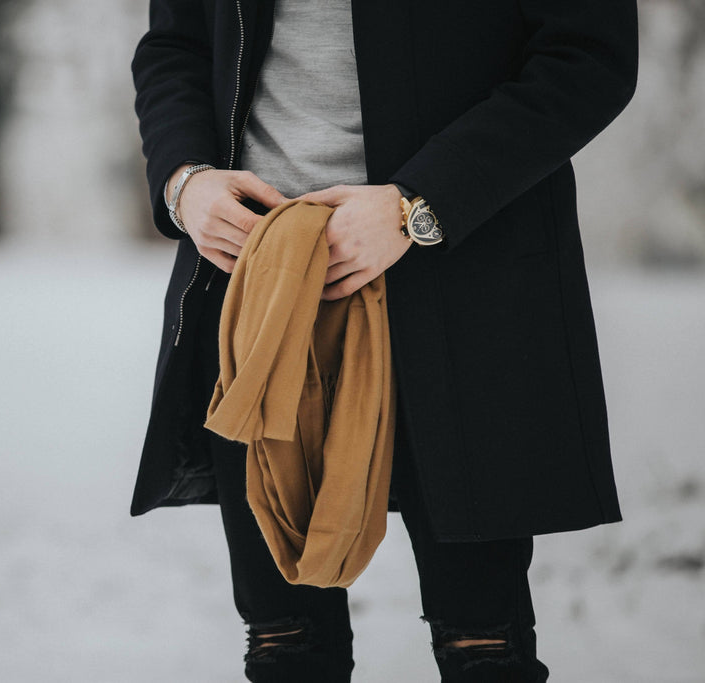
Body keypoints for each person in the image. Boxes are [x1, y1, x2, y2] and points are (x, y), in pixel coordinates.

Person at [129, 1, 638, 681]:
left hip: (463, 278)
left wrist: (418, 204)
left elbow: (587, 57)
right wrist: (184, 181)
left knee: (483, 644)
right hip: (260, 283)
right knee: (285, 645)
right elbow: (175, 46)